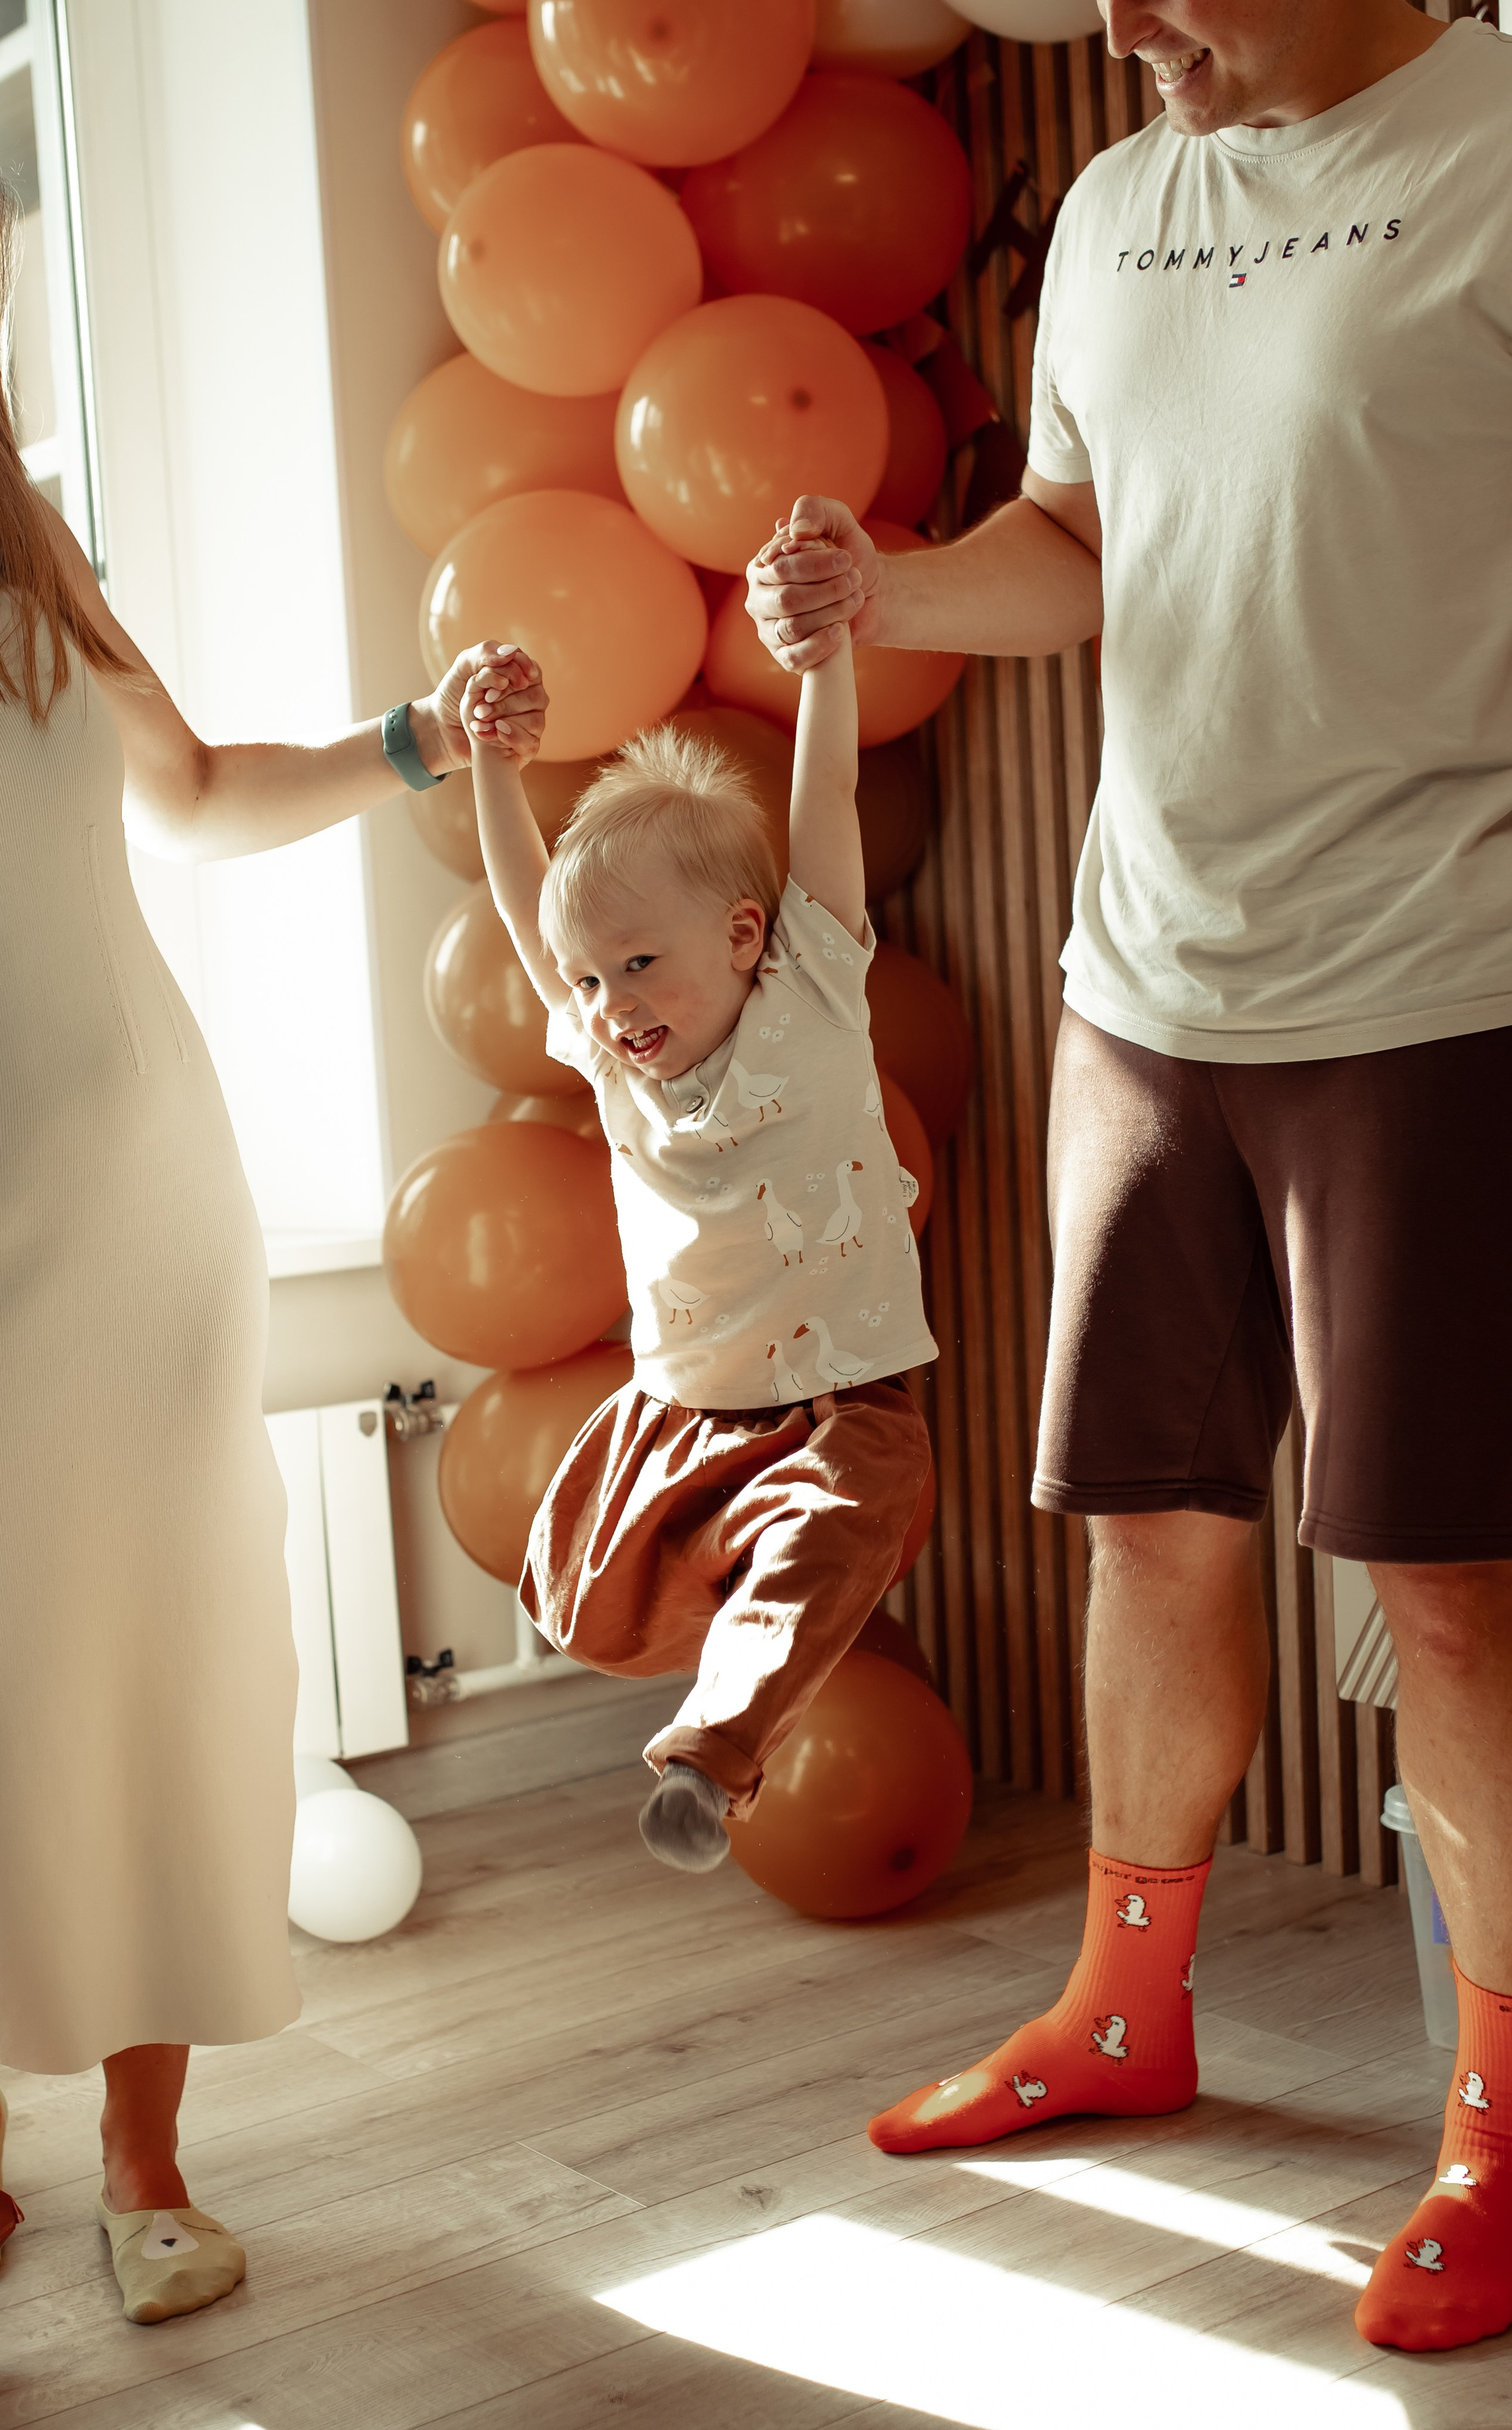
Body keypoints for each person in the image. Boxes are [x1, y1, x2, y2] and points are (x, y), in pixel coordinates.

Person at [744, 0, 1512, 2360]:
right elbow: (1080, 539)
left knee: (1451, 1585)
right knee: (1152, 1517)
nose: (1117, 25)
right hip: (1146, 979)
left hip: (1443, 975)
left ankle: (1499, 2126)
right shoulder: (1108, 202)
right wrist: (889, 589)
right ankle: (1120, 2008)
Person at [0, 123, 542, 2324]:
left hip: (127, 1216)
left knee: (158, 1666)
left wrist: (402, 747)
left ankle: (144, 2164)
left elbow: (195, 797)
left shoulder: (32, 565)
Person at [455, 624, 934, 1869]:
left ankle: (707, 1761)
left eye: (637, 966)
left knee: (830, 1539)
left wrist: (823, 661)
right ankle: (715, 1656)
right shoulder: (619, 1070)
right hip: (679, 1403)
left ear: (737, 935)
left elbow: (821, 797)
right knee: (578, 1598)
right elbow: (524, 906)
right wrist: (494, 768)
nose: (611, 1007)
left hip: (834, 1401)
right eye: (588, 980)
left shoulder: (813, 990)